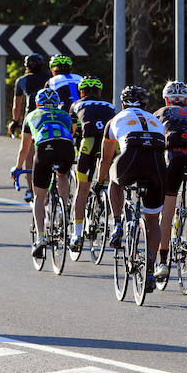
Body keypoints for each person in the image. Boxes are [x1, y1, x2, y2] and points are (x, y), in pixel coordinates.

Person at [95, 86, 166, 293]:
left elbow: (105, 159)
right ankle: (150, 269)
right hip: (157, 165)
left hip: (130, 160)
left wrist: (100, 183)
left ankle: (117, 223)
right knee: (153, 220)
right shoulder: (156, 120)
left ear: (123, 105)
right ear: (146, 106)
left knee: (114, 182)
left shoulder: (114, 120)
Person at [153, 81, 187, 280]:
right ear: (186, 99)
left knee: (166, 214)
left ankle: (162, 262)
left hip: (174, 158)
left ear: (166, 99)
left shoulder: (160, 112)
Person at [12, 88, 74, 258]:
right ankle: (64, 209)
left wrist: (17, 168)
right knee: (62, 175)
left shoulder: (31, 116)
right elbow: (70, 135)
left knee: (39, 197)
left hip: (45, 148)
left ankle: (40, 238)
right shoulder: (65, 115)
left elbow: (25, 148)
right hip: (67, 148)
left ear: (37, 103)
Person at [68, 76, 116, 250]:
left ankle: (77, 234)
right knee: (107, 184)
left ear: (81, 92)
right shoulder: (111, 106)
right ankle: (104, 213)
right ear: (100, 92)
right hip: (110, 145)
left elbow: (73, 131)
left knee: (82, 189)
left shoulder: (76, 105)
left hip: (87, 144)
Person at [10, 53, 50, 202]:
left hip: (32, 118)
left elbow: (17, 105)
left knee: (28, 152)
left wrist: (15, 121)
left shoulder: (21, 81)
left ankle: (30, 189)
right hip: (50, 116)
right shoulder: (49, 79)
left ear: (26, 67)